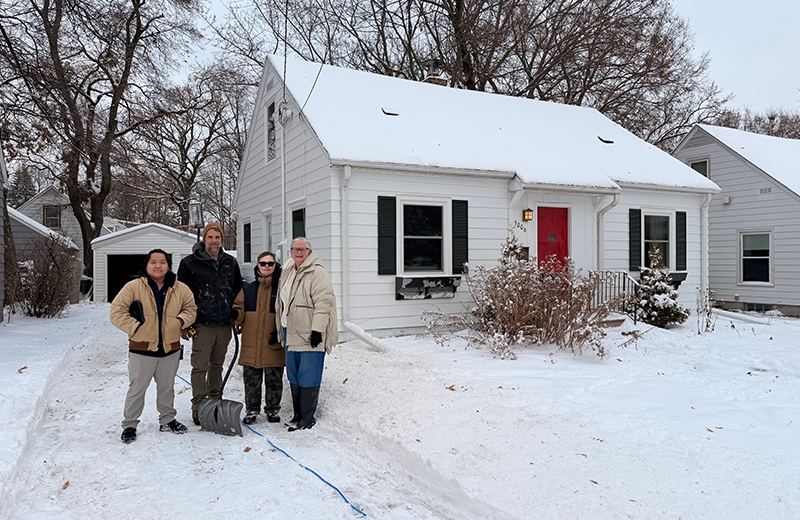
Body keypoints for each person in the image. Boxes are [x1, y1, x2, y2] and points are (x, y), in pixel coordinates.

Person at [110, 249, 197, 444]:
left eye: (162, 262)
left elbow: (191, 309)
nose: (158, 266)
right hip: (142, 349)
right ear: (147, 265)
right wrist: (135, 327)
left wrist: (181, 321)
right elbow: (116, 311)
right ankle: (130, 424)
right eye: (153, 262)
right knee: (137, 389)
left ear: (168, 265)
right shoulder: (133, 287)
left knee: (167, 388)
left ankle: (167, 419)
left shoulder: (180, 288)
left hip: (170, 349)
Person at [177, 222, 243, 426]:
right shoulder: (189, 263)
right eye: (210, 237)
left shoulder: (230, 263)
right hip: (202, 323)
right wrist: (184, 323)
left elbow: (238, 291)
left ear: (222, 239)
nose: (214, 241)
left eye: (217, 237)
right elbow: (182, 295)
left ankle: (214, 403)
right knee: (200, 367)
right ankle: (198, 407)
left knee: (217, 366)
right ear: (204, 239)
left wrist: (239, 317)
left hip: (225, 324)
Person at [275, 237, 338, 431]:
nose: (299, 252)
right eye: (295, 249)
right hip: (290, 329)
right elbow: (281, 302)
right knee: (294, 374)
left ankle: (308, 417)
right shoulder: (288, 270)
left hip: (310, 332)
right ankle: (298, 415)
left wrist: (318, 330)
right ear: (291, 252)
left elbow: (324, 302)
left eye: (303, 249)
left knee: (309, 374)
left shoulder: (317, 272)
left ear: (309, 252)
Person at [232, 251, 284, 425]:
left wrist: (280, 331)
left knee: (274, 379)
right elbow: (239, 310)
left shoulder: (282, 289)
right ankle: (252, 410)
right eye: (263, 263)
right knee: (252, 379)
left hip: (273, 342)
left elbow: (288, 314)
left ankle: (273, 409)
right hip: (251, 343)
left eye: (270, 263)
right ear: (258, 265)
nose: (267, 266)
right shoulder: (248, 290)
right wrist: (235, 314)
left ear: (275, 266)